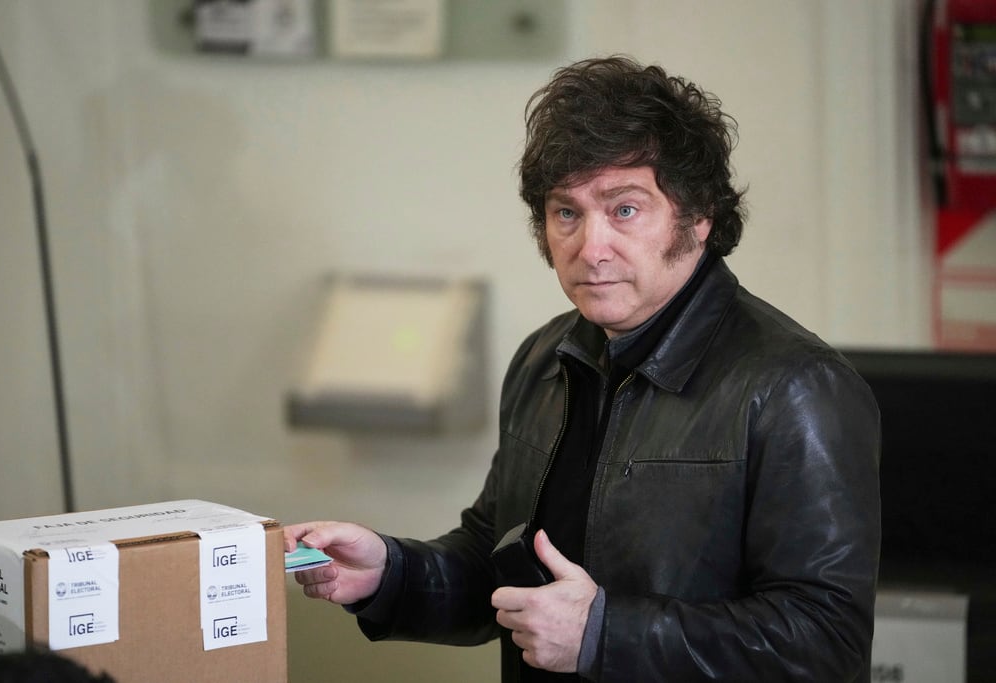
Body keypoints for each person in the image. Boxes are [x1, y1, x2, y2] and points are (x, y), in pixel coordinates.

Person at [286, 55, 881, 682]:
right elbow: (498, 563)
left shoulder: (797, 387)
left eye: (624, 210)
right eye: (567, 213)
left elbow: (826, 643)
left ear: (698, 215)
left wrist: (604, 634)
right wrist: (391, 573)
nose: (591, 249)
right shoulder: (544, 357)